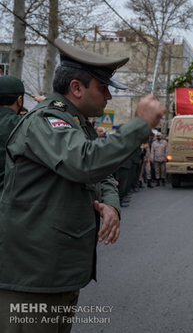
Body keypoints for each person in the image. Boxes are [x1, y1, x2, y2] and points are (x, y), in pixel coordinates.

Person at [0, 38, 165, 332]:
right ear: (77, 88)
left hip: (55, 271)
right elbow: (85, 162)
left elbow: (99, 174)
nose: (108, 98)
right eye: (103, 89)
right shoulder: (47, 121)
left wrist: (111, 205)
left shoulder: (76, 123)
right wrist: (140, 125)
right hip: (31, 276)